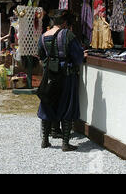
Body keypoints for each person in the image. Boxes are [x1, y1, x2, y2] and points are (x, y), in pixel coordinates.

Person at [37, 10, 84, 152]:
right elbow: (78, 57)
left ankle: (45, 140)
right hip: (66, 75)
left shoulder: (43, 36)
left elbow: (41, 56)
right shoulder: (68, 35)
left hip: (49, 75)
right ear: (64, 23)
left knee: (47, 103)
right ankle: (65, 143)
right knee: (67, 106)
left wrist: (49, 65)